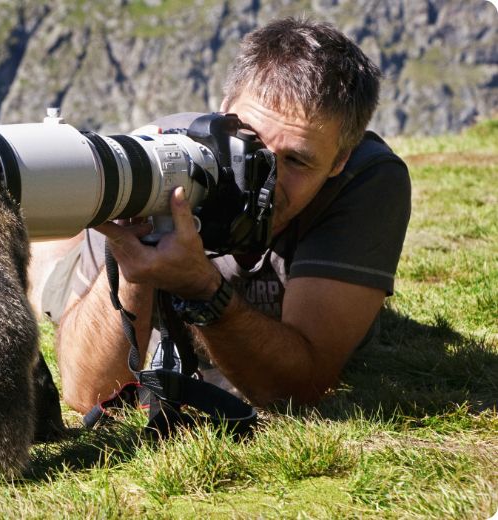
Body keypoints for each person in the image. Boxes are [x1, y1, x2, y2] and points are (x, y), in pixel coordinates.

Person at [29, 17, 411, 412]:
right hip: (79, 268)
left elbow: (301, 385)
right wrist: (132, 270)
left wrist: (202, 290)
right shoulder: (158, 160)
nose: (268, 178)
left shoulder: (365, 179)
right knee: (46, 280)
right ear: (224, 111)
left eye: (296, 160)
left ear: (339, 160)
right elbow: (88, 394)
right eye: (252, 143)